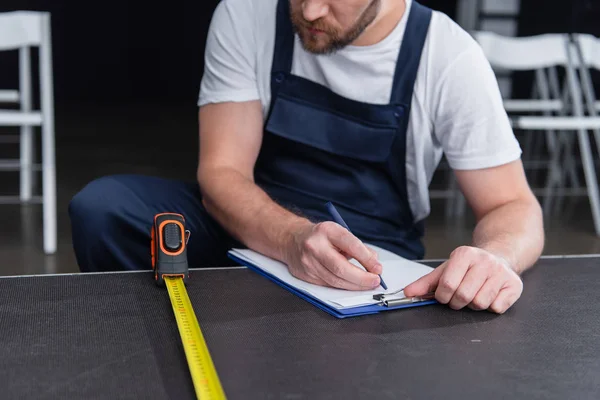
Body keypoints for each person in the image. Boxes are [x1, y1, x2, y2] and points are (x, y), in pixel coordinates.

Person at [68, 0, 545, 314]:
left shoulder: (448, 56)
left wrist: (494, 256)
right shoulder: (246, 13)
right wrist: (293, 237)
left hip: (367, 257)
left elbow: (513, 207)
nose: (310, 10)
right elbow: (221, 172)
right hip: (251, 221)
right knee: (105, 210)